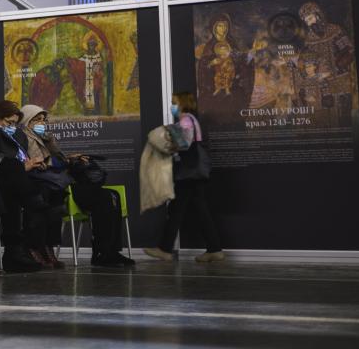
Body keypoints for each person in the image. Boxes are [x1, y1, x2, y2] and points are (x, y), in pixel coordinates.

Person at [19, 105, 133, 267]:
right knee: (104, 198)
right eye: (37, 120)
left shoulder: (45, 137)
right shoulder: (25, 137)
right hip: (53, 186)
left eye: (44, 120)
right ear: (27, 120)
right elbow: (43, 163)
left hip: (63, 181)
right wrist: (62, 161)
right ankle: (103, 253)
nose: (42, 123)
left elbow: (57, 159)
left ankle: (112, 251)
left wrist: (68, 157)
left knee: (112, 195)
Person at [0, 100, 53, 272]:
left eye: (14, 123)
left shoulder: (17, 135)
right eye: (9, 122)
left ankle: (26, 249)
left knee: (43, 188)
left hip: (15, 179)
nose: (12, 126)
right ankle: (17, 251)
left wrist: (30, 164)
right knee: (14, 180)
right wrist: (21, 166)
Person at [144, 91, 225, 263]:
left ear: (182, 103)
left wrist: (168, 138)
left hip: (189, 172)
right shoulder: (191, 119)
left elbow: (185, 144)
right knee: (198, 210)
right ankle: (214, 249)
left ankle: (165, 249)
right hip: (194, 173)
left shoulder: (186, 120)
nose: (172, 105)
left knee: (176, 210)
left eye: (174, 102)